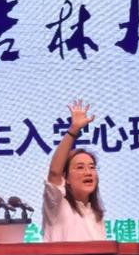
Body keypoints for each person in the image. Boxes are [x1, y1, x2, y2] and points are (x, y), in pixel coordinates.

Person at [42, 100, 106, 242]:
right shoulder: (57, 206)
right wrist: (73, 130)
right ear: (66, 178)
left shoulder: (97, 214)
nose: (88, 172)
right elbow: (54, 173)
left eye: (92, 167)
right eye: (80, 167)